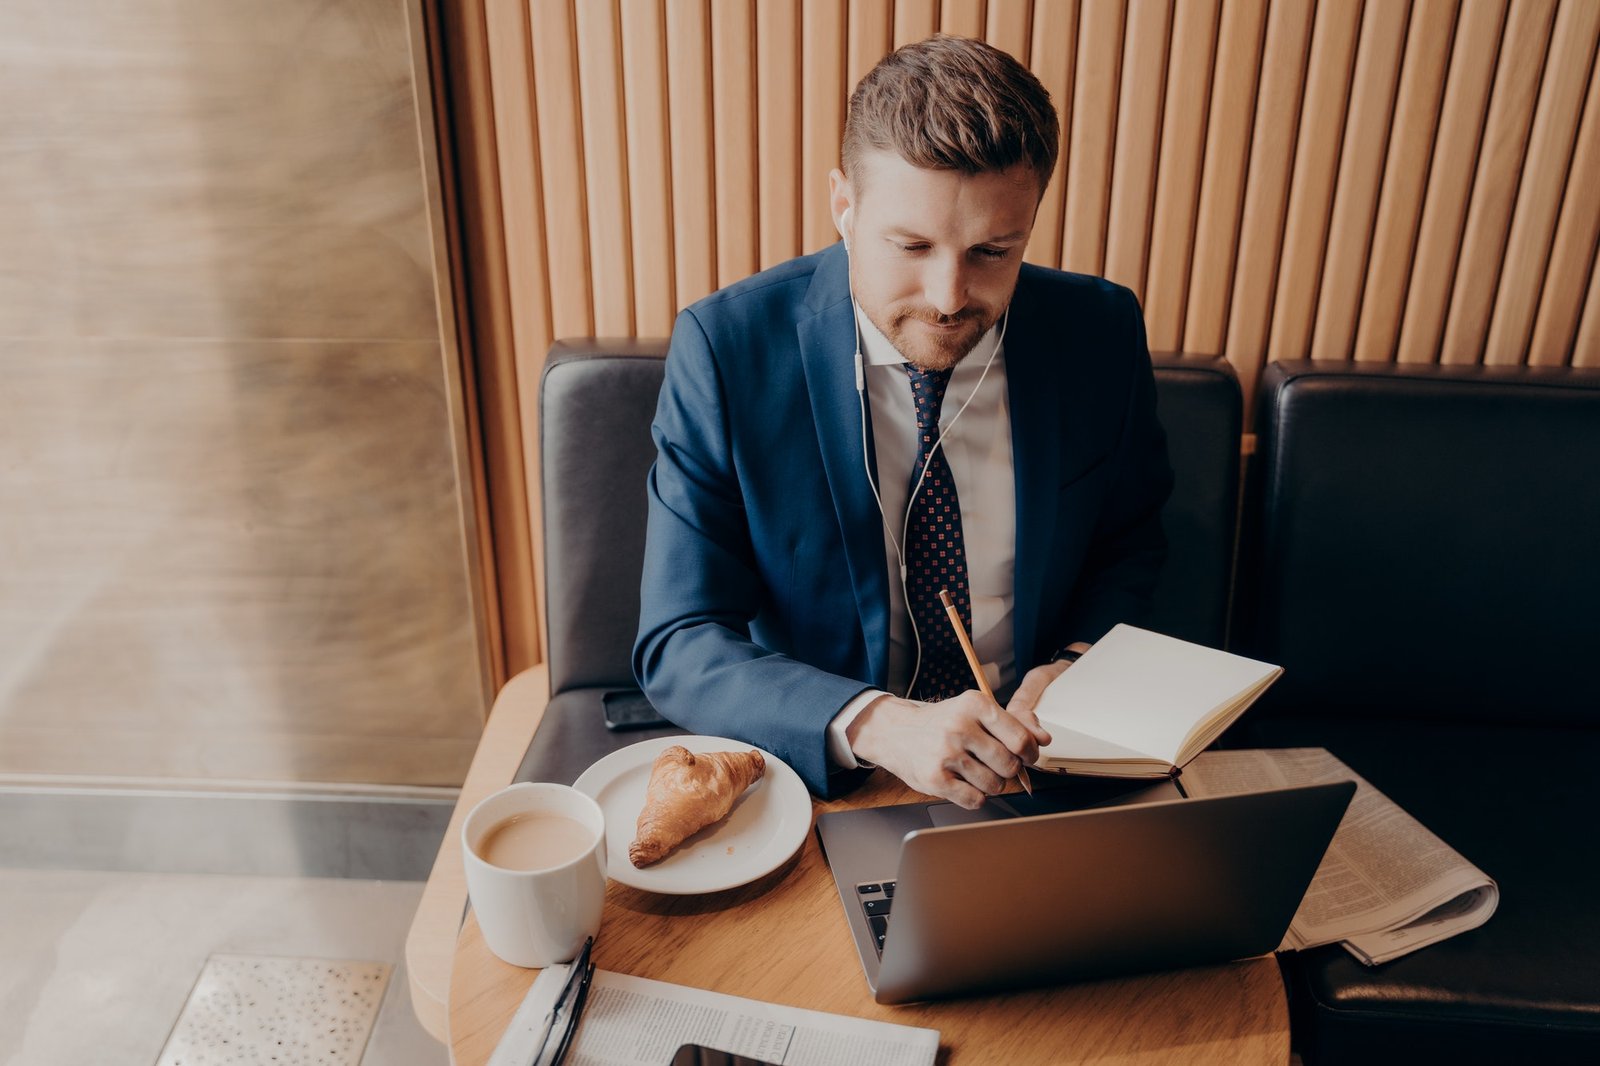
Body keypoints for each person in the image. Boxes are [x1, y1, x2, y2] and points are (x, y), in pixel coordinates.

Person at [633, 35, 1172, 807]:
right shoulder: (727, 350)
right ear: (843, 207)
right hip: (833, 774)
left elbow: (1132, 543)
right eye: (911, 245)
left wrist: (1081, 663)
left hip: (1048, 763)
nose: (950, 295)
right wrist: (877, 724)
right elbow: (678, 641)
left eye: (993, 249)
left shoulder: (1102, 330)